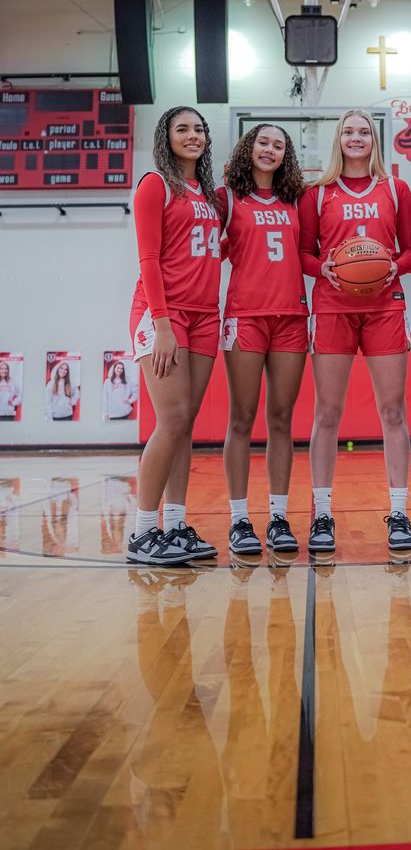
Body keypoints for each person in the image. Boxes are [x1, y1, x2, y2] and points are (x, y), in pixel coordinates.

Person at [299, 109, 411, 553]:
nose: (356, 137)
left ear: (375, 139)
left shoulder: (396, 189)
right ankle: (323, 514)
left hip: (385, 307)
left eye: (363, 131)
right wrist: (323, 268)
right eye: (348, 131)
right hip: (333, 307)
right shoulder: (317, 194)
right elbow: (302, 254)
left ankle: (400, 512)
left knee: (393, 412)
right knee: (327, 414)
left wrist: (395, 265)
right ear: (338, 139)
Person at [127, 105, 222, 566]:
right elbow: (148, 260)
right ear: (165, 137)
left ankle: (177, 525)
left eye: (199, 129)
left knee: (185, 425)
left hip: (205, 316)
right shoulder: (155, 185)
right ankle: (144, 531)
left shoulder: (208, 193)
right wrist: (162, 325)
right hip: (163, 316)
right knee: (172, 419)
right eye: (182, 129)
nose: (193, 135)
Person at [217, 123, 308, 557]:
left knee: (281, 419)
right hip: (245, 318)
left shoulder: (296, 200)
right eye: (262, 142)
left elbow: (309, 255)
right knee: (242, 417)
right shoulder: (226, 199)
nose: (270, 149)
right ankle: (238, 520)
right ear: (247, 147)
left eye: (278, 144)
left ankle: (278, 517)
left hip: (291, 317)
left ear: (285, 153)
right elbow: (197, 244)